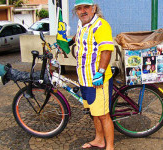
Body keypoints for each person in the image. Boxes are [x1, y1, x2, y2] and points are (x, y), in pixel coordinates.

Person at [70, 0, 115, 149]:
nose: (83, 11)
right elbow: (79, 36)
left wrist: (100, 73)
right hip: (84, 78)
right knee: (94, 112)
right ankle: (99, 140)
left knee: (103, 115)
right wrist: (67, 42)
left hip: (98, 79)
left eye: (86, 7)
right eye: (79, 8)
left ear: (94, 8)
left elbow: (106, 50)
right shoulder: (81, 24)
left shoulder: (100, 25)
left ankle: (110, 147)